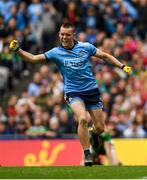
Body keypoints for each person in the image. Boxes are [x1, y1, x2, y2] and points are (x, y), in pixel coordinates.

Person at [9, 22, 132, 166]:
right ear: (59, 34)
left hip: (91, 90)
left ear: (73, 35)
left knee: (100, 128)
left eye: (67, 34)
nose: (64, 37)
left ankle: (93, 133)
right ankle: (87, 154)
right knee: (82, 119)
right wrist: (18, 50)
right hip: (73, 92)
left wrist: (122, 66)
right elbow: (33, 59)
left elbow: (104, 56)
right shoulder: (56, 52)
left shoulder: (85, 47)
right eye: (62, 34)